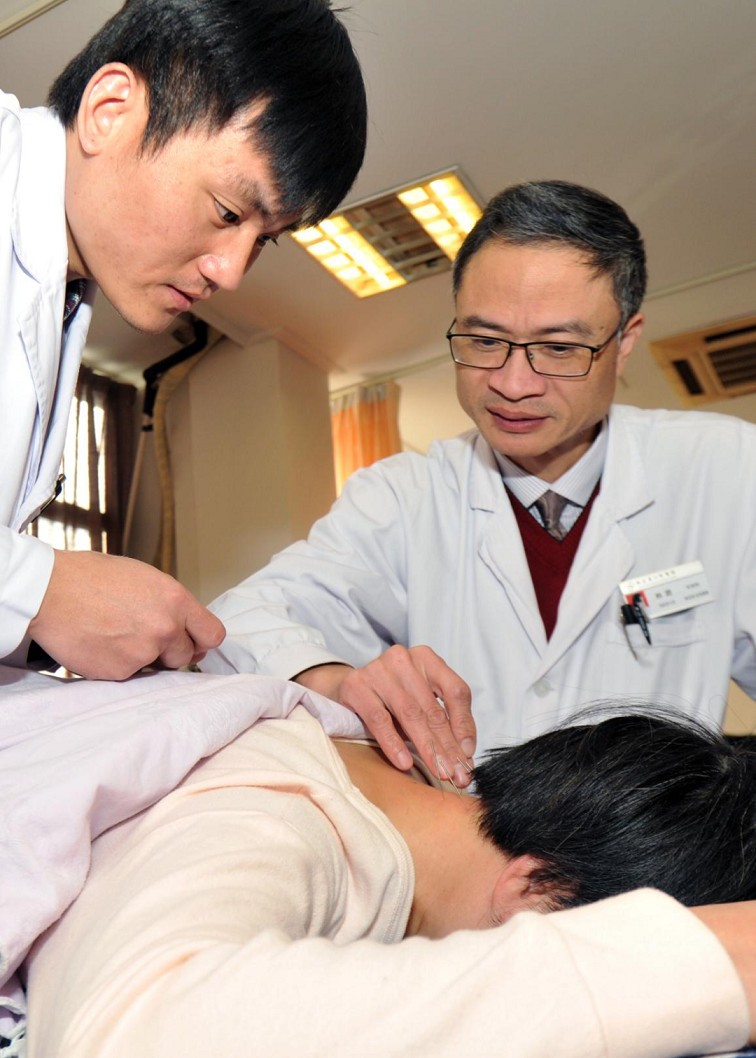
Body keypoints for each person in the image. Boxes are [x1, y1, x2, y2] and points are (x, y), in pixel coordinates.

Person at [203, 180, 756, 784]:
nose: (513, 384)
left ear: (624, 343)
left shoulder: (726, 470)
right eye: (485, 341)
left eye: (559, 348)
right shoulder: (403, 497)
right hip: (463, 832)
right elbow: (237, 622)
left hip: (655, 836)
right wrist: (335, 681)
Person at [23, 708, 756, 1057]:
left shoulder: (363, 770)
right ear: (535, 888)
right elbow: (127, 1039)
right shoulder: (270, 819)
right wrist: (697, 962)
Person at [0, 0, 367, 680]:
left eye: (264, 240)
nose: (231, 272)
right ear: (109, 111)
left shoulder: (65, 289)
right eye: (227, 211)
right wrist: (40, 591)